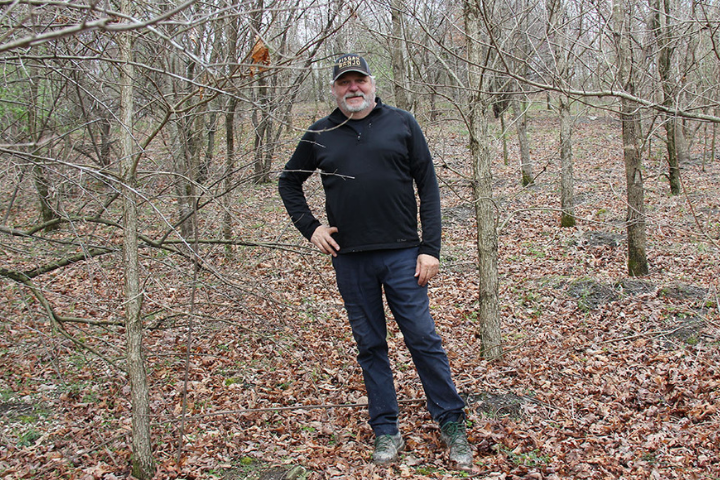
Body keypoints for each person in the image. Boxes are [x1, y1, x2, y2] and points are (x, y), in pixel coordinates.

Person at [278, 53, 472, 468]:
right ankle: (386, 429)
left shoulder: (402, 123)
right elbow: (289, 182)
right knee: (370, 345)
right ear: (334, 89)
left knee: (423, 338)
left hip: (404, 255)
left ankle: (451, 422)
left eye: (359, 80)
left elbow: (428, 187)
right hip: (350, 259)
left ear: (372, 84)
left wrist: (430, 248)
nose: (354, 88)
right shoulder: (320, 133)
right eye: (344, 82)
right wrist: (310, 227)